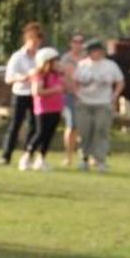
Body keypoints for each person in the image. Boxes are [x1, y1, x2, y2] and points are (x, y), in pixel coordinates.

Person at [71, 38, 123, 171]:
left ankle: (100, 160)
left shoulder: (110, 65)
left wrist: (114, 96)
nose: (95, 53)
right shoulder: (83, 64)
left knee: (101, 131)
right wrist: (77, 94)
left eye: (97, 51)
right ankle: (84, 158)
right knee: (85, 131)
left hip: (103, 103)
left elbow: (120, 81)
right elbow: (75, 81)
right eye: (92, 51)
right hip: (84, 103)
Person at [0, 22, 45, 166]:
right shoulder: (17, 56)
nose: (35, 43)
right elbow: (8, 78)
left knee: (34, 126)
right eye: (32, 40)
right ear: (26, 39)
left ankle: (27, 155)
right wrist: (23, 77)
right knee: (15, 125)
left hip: (36, 94)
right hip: (20, 93)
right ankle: (6, 155)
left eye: (38, 41)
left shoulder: (41, 57)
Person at [19, 44, 64, 171]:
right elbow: (37, 92)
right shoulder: (40, 75)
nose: (57, 63)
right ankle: (27, 156)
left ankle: (41, 159)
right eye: (54, 60)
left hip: (56, 108)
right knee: (40, 133)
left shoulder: (56, 74)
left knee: (48, 135)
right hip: (44, 109)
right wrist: (54, 90)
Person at [58, 31, 86, 167]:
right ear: (71, 43)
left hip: (86, 98)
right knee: (72, 125)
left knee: (85, 127)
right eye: (76, 41)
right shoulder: (65, 59)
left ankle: (84, 156)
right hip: (69, 97)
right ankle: (68, 156)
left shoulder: (87, 59)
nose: (78, 44)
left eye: (81, 42)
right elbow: (62, 78)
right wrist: (74, 90)